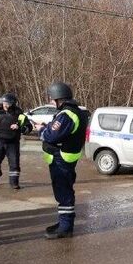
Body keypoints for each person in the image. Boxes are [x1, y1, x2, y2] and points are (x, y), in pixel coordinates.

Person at [33, 82, 88, 239]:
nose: (51, 102)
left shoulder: (66, 115)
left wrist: (42, 130)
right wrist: (48, 126)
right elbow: (59, 131)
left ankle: (65, 227)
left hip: (61, 160)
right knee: (64, 192)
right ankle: (64, 223)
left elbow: (51, 136)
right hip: (66, 158)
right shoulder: (74, 112)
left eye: (52, 99)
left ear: (58, 98)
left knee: (63, 193)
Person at [0, 93, 32, 189]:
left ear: (13, 103)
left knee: (14, 163)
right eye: (4, 103)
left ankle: (14, 182)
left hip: (12, 142)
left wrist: (19, 127)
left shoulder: (20, 115)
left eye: (7, 103)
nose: (5, 105)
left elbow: (28, 127)